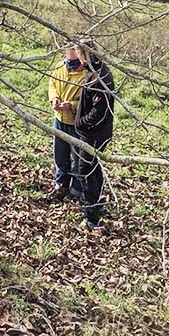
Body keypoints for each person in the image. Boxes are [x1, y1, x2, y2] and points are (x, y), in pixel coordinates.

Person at [74, 41, 115, 231]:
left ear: (84, 54)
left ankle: (92, 218)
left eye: (78, 54)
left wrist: (80, 123)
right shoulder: (96, 70)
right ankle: (98, 202)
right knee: (94, 168)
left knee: (86, 171)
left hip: (93, 135)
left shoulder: (99, 78)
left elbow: (99, 113)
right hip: (96, 133)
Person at [48, 44, 86, 202]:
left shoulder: (86, 74)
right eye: (68, 56)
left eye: (74, 59)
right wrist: (54, 99)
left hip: (76, 123)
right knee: (60, 154)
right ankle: (61, 183)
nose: (71, 65)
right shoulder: (59, 67)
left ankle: (76, 189)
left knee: (77, 157)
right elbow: (52, 85)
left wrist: (72, 105)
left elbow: (87, 100)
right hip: (59, 119)